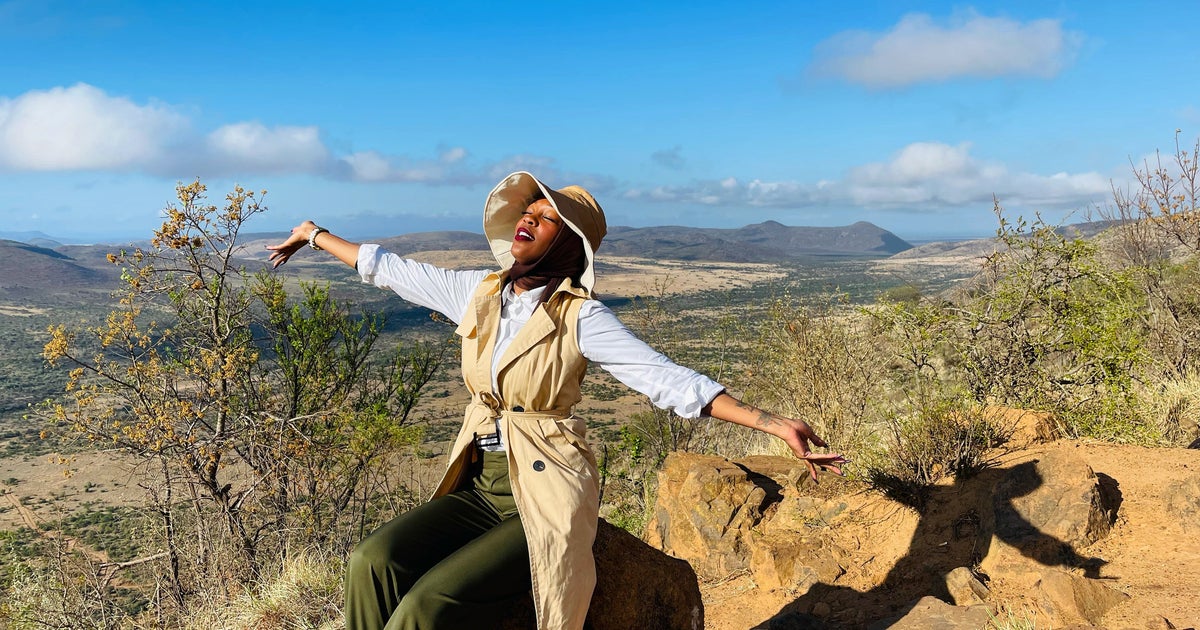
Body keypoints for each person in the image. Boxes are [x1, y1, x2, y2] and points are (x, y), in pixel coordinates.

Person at [267, 171, 846, 630]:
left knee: (427, 607)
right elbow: (389, 270)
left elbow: (667, 380)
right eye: (528, 211)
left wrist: (772, 424)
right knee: (371, 561)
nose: (528, 220)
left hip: (544, 486)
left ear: (570, 248)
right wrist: (314, 233)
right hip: (479, 480)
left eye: (546, 219)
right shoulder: (478, 292)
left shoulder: (581, 316)